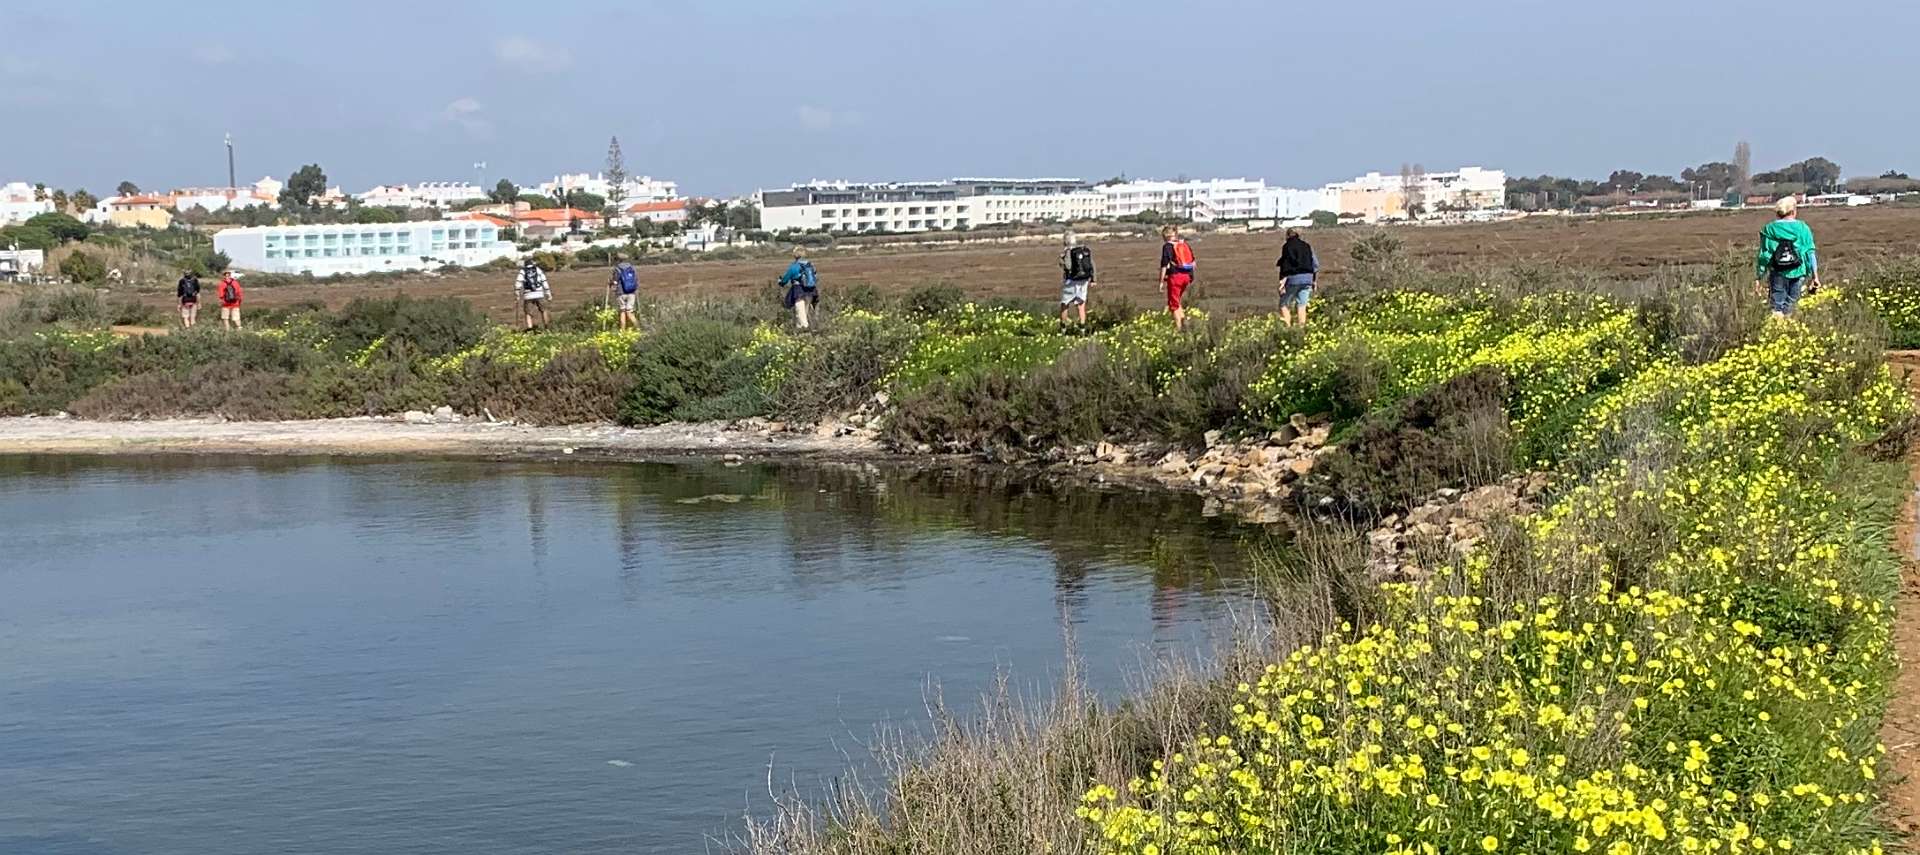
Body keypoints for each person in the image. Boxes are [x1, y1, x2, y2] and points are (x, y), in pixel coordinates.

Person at [1754, 196, 1820, 317]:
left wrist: (1759, 276)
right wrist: (1815, 276)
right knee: (1791, 305)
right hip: (1799, 271)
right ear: (1793, 211)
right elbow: (1810, 252)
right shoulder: (1803, 228)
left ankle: (1776, 325)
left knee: (1776, 305)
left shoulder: (1769, 229)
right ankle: (1788, 324)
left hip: (1778, 272)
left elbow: (1765, 255)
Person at [1275, 228, 1320, 327]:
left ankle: (1288, 328)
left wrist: (1282, 281)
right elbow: (1315, 265)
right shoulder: (1307, 246)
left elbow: (1285, 264)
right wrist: (1314, 281)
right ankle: (1301, 329)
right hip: (1308, 279)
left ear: (1287, 236)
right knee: (1302, 306)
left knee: (1283, 304)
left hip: (1293, 279)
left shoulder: (1287, 246)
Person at [1158, 225, 1196, 330]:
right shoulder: (1183, 245)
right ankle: (1184, 326)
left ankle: (1179, 330)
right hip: (1186, 277)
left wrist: (1161, 281)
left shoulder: (1167, 247)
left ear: (1165, 236)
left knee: (1173, 305)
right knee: (1177, 302)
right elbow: (1193, 263)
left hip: (1175, 278)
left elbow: (1164, 265)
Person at [1058, 232, 1096, 327]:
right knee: (1081, 306)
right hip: (1083, 281)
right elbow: (1092, 265)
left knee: (1065, 305)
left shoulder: (1068, 251)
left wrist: (1062, 259)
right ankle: (1082, 328)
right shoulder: (1083, 251)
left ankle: (1063, 328)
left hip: (1071, 282)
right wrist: (1093, 279)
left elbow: (1068, 266)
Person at [777, 249, 819, 330]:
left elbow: (785, 280)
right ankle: (802, 330)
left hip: (798, 291)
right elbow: (815, 277)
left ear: (795, 255)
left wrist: (780, 282)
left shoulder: (794, 266)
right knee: (805, 313)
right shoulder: (810, 265)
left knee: (800, 313)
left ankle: (805, 331)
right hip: (810, 291)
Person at [516, 258, 551, 330]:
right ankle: (546, 327)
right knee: (544, 310)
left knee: (528, 313)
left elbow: (518, 283)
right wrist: (548, 293)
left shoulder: (523, 271)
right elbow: (544, 281)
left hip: (528, 295)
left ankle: (530, 329)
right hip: (539, 294)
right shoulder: (538, 269)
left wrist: (517, 294)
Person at [607, 254, 639, 330]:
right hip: (631, 292)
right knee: (629, 311)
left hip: (621, 293)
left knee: (623, 311)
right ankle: (638, 328)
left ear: (618, 260)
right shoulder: (632, 268)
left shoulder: (617, 269)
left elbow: (615, 282)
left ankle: (623, 331)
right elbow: (635, 279)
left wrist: (610, 282)